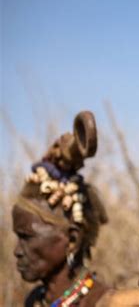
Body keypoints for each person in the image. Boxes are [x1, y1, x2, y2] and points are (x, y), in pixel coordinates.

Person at [12, 113, 109, 307]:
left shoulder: (104, 302)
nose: (17, 251)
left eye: (27, 237)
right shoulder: (35, 300)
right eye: (18, 236)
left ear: (72, 239)